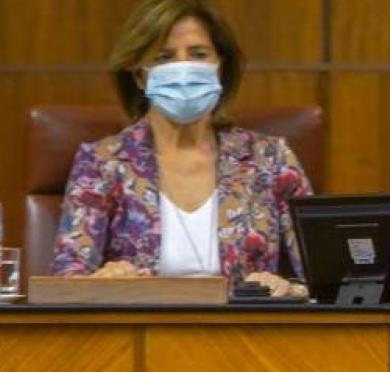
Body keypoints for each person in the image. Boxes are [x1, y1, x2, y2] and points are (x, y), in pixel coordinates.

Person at [50, 0, 311, 297]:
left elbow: (324, 278)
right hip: (139, 337)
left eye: (198, 54)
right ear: (139, 75)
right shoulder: (102, 162)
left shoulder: (270, 159)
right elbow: (65, 284)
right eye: (164, 58)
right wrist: (104, 283)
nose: (183, 68)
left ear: (220, 66)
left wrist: (290, 289)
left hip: (246, 337)